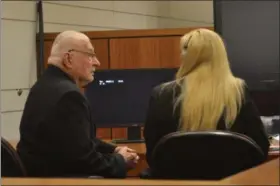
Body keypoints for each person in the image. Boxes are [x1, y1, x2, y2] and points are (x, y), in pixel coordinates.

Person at [17, 30, 139, 178]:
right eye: (90, 55)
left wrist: (114, 150)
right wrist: (120, 161)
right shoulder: (69, 96)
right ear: (68, 59)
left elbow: (79, 142)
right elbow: (85, 162)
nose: (97, 62)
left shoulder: (43, 86)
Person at [143, 28, 270, 168]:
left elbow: (153, 153)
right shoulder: (238, 91)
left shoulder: (161, 94)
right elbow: (260, 148)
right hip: (231, 180)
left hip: (175, 180)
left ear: (187, 56)